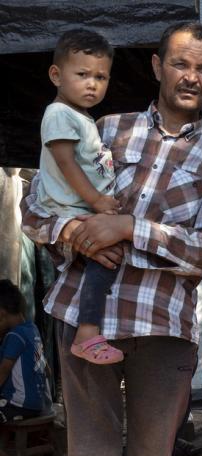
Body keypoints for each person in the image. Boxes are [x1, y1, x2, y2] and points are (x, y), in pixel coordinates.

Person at [21, 21, 202, 456]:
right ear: (157, 66)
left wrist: (129, 229)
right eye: (181, 64)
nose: (191, 76)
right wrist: (77, 232)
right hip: (82, 319)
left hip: (163, 328)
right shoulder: (103, 129)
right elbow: (34, 208)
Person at [38, 29, 122, 364]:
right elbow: (65, 163)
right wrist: (98, 201)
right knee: (106, 258)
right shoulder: (58, 114)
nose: (92, 84)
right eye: (83, 74)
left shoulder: (81, 118)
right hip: (71, 208)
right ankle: (87, 334)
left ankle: (92, 329)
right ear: (56, 75)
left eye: (101, 77)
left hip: (83, 206)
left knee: (105, 260)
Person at [0, 280, 53, 456]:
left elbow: (3, 372)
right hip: (35, 403)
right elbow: (46, 369)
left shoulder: (14, 336)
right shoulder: (32, 330)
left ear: (2, 313)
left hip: (19, 404)